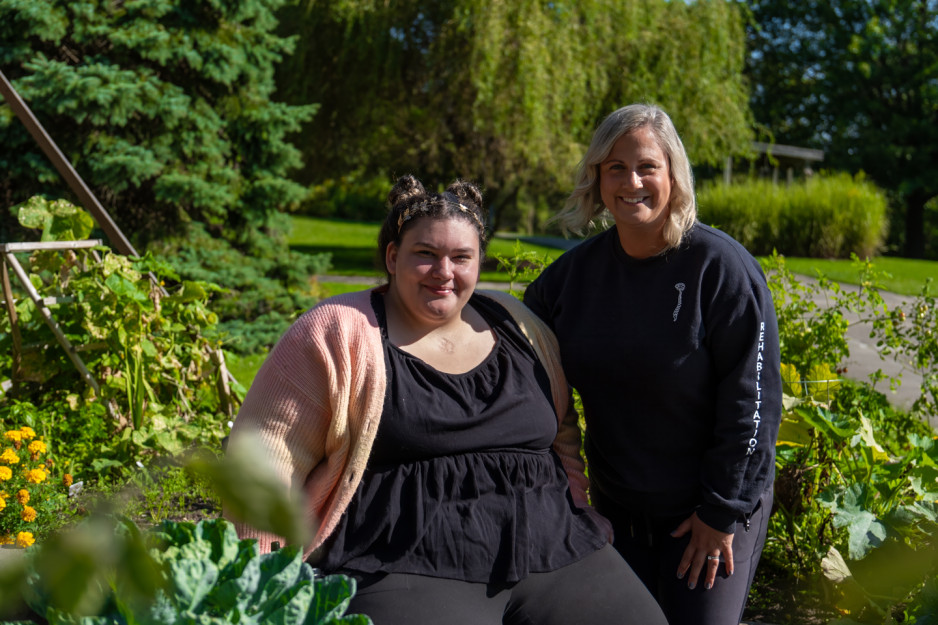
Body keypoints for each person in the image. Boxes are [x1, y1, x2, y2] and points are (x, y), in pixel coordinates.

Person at [226, 175, 666, 625]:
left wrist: (577, 505)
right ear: (393, 257)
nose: (444, 272)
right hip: (405, 557)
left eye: (461, 257)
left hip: (552, 543)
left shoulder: (518, 324)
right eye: (425, 255)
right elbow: (265, 460)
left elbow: (561, 436)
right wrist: (262, 579)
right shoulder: (337, 331)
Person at [523, 103, 782, 625]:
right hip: (618, 509)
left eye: (647, 167)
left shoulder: (721, 270)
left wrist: (721, 513)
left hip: (709, 512)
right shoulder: (570, 279)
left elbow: (753, 405)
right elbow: (517, 371)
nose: (631, 181)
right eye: (615, 168)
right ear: (596, 178)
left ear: (674, 175)